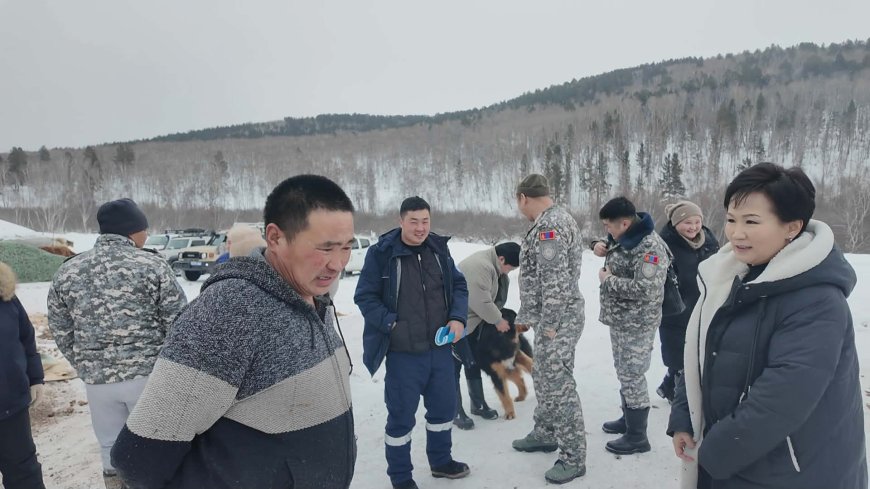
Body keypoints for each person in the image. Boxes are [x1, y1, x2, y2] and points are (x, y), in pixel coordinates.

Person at [110, 175, 357, 489]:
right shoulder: (231, 311)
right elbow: (139, 460)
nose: (338, 264)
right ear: (276, 237)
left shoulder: (314, 298)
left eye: (346, 247)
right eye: (325, 248)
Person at [669, 163, 867, 489]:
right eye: (731, 219)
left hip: (790, 471)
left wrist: (713, 455)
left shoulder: (816, 299)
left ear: (791, 227)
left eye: (751, 221)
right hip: (738, 463)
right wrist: (684, 418)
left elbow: (783, 398)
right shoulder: (731, 276)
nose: (736, 233)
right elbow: (700, 354)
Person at [47, 198, 187, 489]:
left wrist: (86, 364)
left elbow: (60, 327)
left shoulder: (68, 271)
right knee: (154, 444)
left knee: (110, 448)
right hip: (147, 377)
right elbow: (179, 322)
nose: (147, 234)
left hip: (98, 383)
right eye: (144, 229)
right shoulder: (152, 266)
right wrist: (166, 366)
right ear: (132, 231)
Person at [355, 196, 470, 489]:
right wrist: (391, 323)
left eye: (425, 221)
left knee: (444, 410)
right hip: (404, 353)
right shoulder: (382, 253)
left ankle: (441, 461)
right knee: (401, 418)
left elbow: (458, 284)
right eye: (414, 221)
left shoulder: (438, 249)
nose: (420, 228)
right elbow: (364, 296)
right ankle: (401, 477)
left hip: (440, 349)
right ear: (401, 221)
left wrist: (457, 317)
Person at [509, 174, 587, 484]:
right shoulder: (554, 219)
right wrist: (529, 314)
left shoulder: (549, 228)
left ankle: (573, 457)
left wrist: (551, 327)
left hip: (559, 319)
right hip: (551, 317)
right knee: (543, 374)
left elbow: (554, 283)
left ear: (523, 198)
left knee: (559, 384)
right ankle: (546, 431)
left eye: (518, 203)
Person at [592, 196, 670, 455]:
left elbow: (646, 288)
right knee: (624, 371)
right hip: (622, 320)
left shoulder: (650, 247)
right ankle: (628, 419)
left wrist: (608, 280)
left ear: (624, 223)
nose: (607, 230)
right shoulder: (627, 236)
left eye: (609, 226)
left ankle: (637, 436)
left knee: (632, 375)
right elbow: (616, 246)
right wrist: (602, 244)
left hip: (637, 323)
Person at [452, 241, 521, 429]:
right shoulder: (480, 266)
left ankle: (478, 404)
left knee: (473, 361)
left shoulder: (492, 266)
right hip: (454, 323)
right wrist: (498, 320)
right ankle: (454, 410)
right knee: (453, 366)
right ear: (501, 258)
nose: (509, 272)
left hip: (473, 323)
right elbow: (479, 299)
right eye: (510, 267)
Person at [656, 201, 719, 403]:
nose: (693, 227)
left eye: (696, 221)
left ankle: (672, 386)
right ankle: (677, 392)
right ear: (675, 224)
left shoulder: (709, 240)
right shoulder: (664, 243)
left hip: (704, 304)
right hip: (676, 308)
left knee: (700, 351)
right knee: (678, 352)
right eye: (686, 222)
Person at [0, 261, 46, 489]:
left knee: (24, 473)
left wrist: (35, 378)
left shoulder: (4, 294)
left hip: (10, 405)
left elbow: (26, 337)